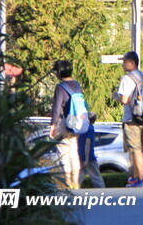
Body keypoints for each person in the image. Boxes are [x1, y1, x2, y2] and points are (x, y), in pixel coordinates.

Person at [113, 51, 143, 188]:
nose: (123, 64)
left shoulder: (127, 78)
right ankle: (138, 178)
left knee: (135, 150)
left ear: (132, 63)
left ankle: (141, 179)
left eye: (125, 62)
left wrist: (116, 96)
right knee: (142, 150)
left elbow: (124, 99)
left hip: (132, 119)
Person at [49, 59, 84, 189]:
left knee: (64, 154)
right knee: (74, 153)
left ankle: (68, 183)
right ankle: (76, 182)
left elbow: (57, 108)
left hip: (64, 122)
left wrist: (53, 125)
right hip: (76, 122)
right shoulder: (77, 85)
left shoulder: (60, 87)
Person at [78, 112, 105, 189]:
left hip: (80, 155)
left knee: (79, 176)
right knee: (96, 177)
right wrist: (87, 159)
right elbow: (87, 143)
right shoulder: (90, 128)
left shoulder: (81, 128)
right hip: (89, 157)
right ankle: (103, 192)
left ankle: (73, 190)